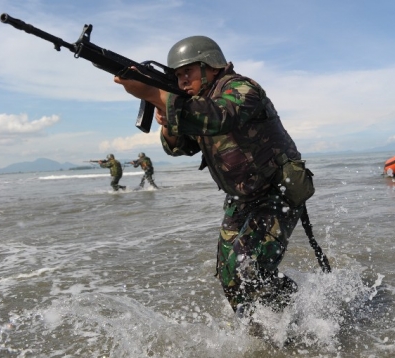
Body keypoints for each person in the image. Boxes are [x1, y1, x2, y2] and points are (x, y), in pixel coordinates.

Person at [114, 35, 308, 316]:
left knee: (249, 267)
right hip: (241, 197)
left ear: (211, 65)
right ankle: (257, 327)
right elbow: (181, 147)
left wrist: (154, 94)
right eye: (177, 75)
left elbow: (221, 116)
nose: (182, 81)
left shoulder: (241, 87)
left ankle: (299, 315)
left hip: (276, 191)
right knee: (229, 271)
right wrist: (165, 117)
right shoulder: (195, 104)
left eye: (187, 72)